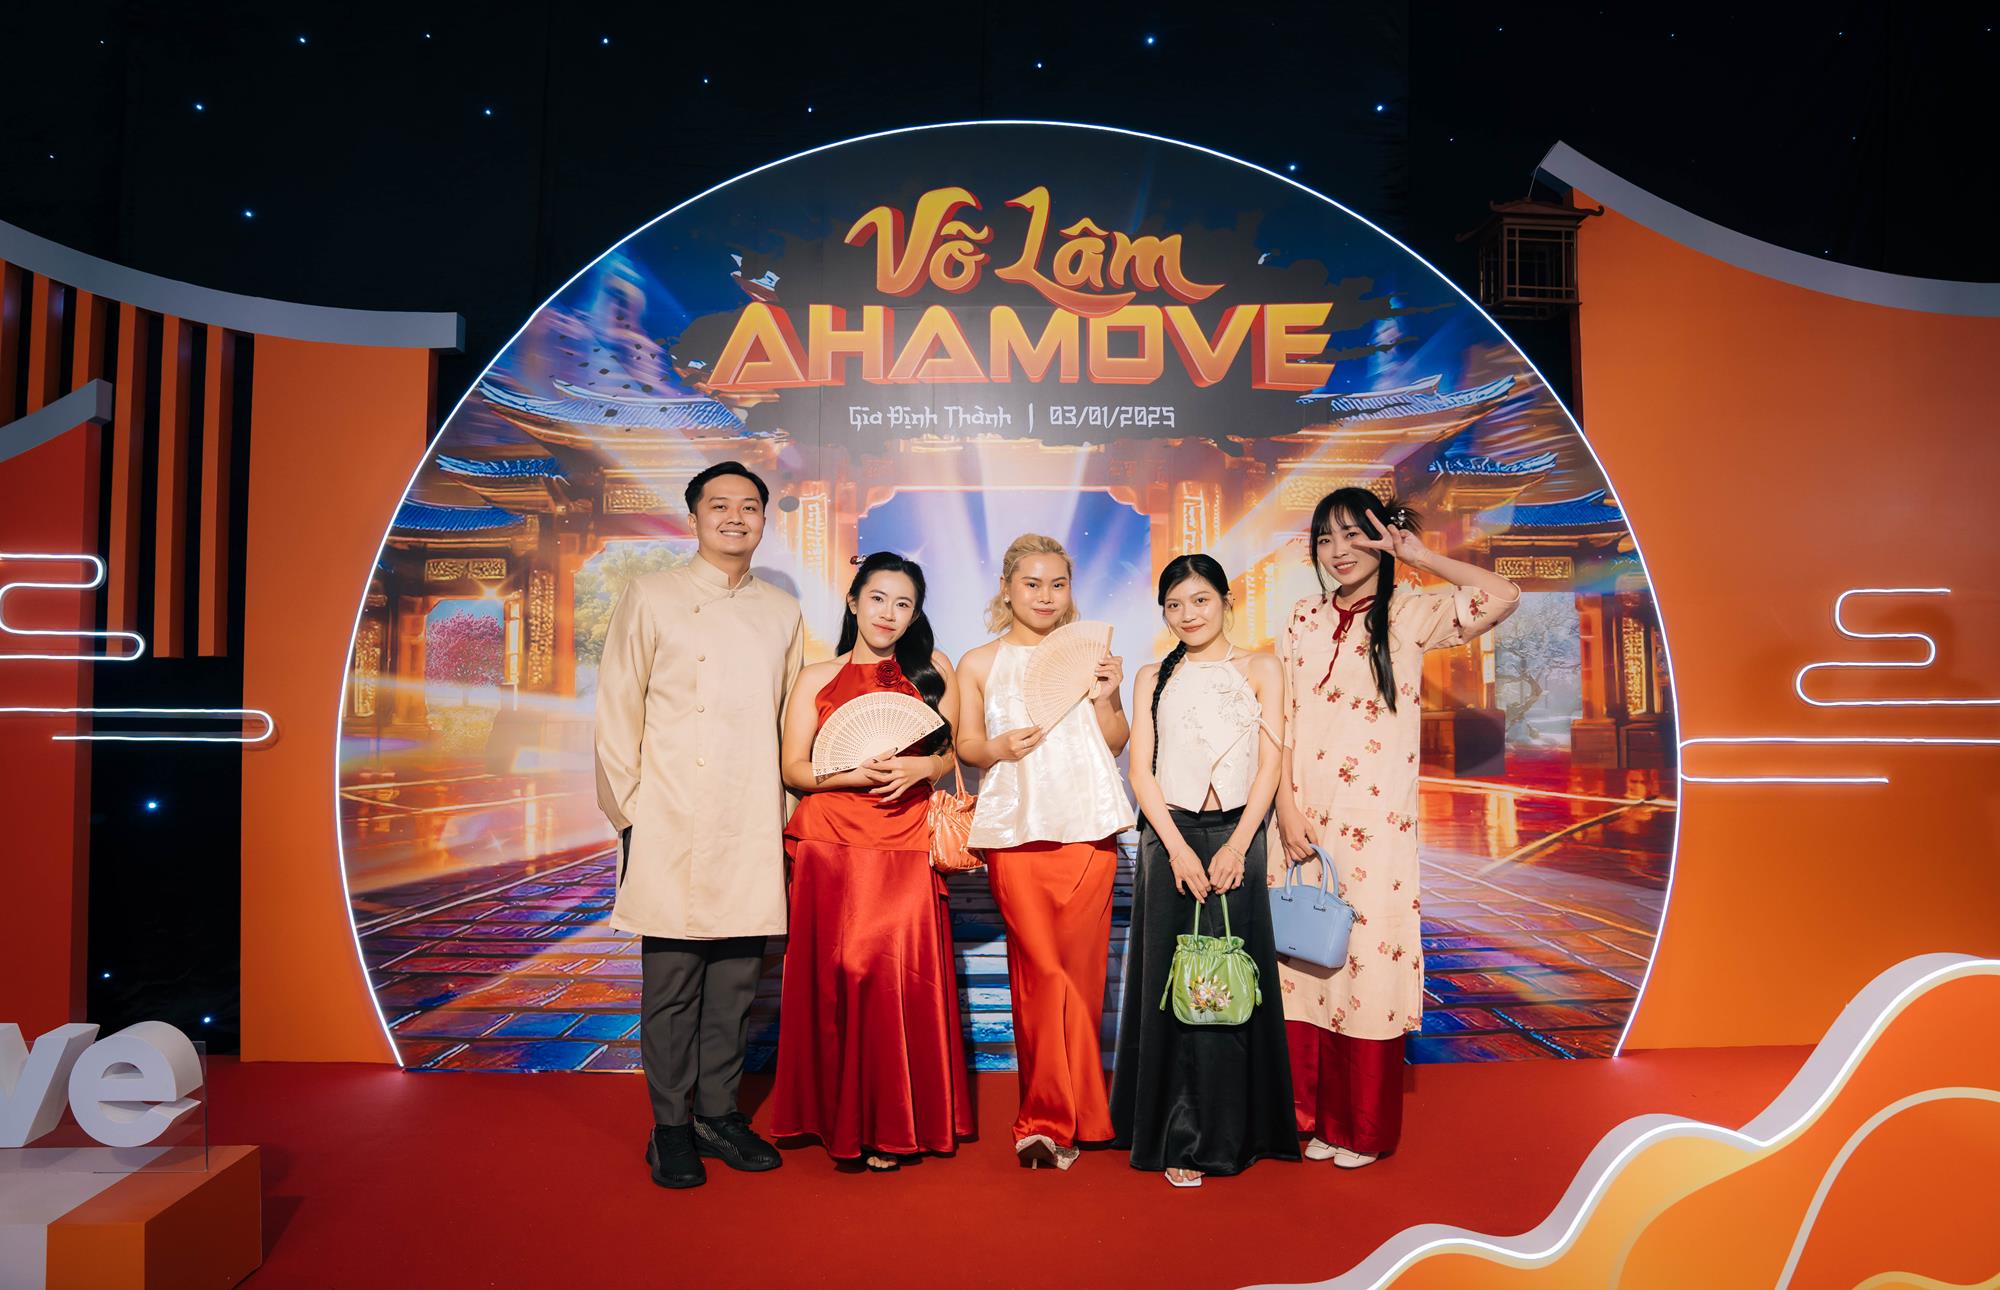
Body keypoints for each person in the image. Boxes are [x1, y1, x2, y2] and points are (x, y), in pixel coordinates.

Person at [1272, 488, 1520, 1168]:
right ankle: (1309, 1118)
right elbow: (1281, 721)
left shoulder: (1413, 612)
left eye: (1356, 535)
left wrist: (1421, 556)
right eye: (1327, 539)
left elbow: (1502, 596)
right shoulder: (1300, 618)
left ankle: (1361, 1126)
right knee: (1301, 964)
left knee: (1367, 964)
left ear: (1383, 538)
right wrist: (1284, 808)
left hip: (1374, 826)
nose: (1340, 551)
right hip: (1298, 821)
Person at [594, 460, 802, 1190]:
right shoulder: (650, 596)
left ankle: (719, 1116)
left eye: (749, 506)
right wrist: (632, 811)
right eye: (720, 505)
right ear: (694, 518)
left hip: (750, 818)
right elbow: (618, 705)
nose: (735, 517)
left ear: (764, 521)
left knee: (737, 983)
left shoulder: (782, 612)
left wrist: (784, 816)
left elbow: (790, 720)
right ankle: (670, 1128)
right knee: (673, 984)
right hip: (671, 814)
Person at [770, 553, 974, 1171]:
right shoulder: (816, 676)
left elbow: (951, 752)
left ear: (915, 614)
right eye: (878, 598)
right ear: (854, 601)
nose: (889, 613)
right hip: (832, 842)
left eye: (903, 603)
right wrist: (854, 773)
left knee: (893, 977)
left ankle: (892, 1122)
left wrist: (924, 764)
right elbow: (794, 768)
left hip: (906, 838)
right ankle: (839, 1117)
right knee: (840, 975)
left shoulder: (933, 670)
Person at [1110, 555, 1297, 1187]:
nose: (1188, 615)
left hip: (1240, 834)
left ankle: (1236, 1133)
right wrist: (1178, 850)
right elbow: (1141, 773)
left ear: (1225, 600)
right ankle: (1176, 1137)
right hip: (1169, 839)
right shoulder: (1151, 676)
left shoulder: (1262, 667)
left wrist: (1239, 847)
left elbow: (1270, 766)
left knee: (1235, 986)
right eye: (1174, 605)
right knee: (1172, 988)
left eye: (1200, 601)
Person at [956, 533, 1132, 1171]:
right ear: (1007, 588)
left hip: (1088, 833)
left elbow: (1115, 740)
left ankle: (1085, 1114)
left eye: (1058, 584)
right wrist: (997, 749)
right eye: (1031, 583)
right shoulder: (979, 662)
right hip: (1015, 834)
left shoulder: (1092, 657)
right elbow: (966, 746)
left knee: (1080, 979)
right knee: (1041, 975)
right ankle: (1044, 1119)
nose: (1045, 595)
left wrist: (1107, 695)